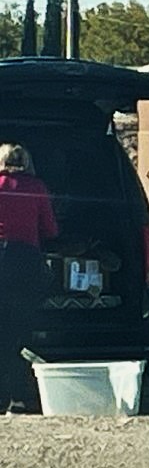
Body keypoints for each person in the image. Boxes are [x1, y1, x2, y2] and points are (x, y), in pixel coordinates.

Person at [0, 143, 58, 415]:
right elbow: (50, 229)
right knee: (17, 332)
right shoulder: (37, 187)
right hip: (24, 262)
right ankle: (17, 399)